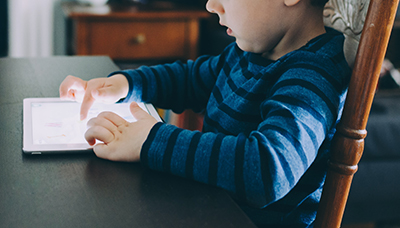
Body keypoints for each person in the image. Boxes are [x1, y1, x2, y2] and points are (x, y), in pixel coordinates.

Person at [59, 0, 352, 226]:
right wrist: (125, 84)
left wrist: (151, 139)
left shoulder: (313, 75)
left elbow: (268, 169)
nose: (211, 5)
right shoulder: (248, 53)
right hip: (211, 208)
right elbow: (189, 79)